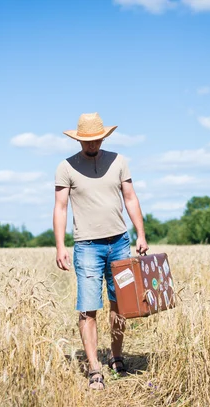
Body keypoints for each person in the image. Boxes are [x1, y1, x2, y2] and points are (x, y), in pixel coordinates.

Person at [53, 112, 148, 390]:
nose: (92, 145)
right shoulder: (66, 167)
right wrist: (60, 246)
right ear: (79, 139)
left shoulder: (119, 161)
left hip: (119, 242)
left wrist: (140, 233)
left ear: (103, 137)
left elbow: (130, 197)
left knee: (121, 304)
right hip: (87, 247)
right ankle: (95, 369)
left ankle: (117, 357)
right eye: (87, 141)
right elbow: (60, 208)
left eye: (96, 140)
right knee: (88, 308)